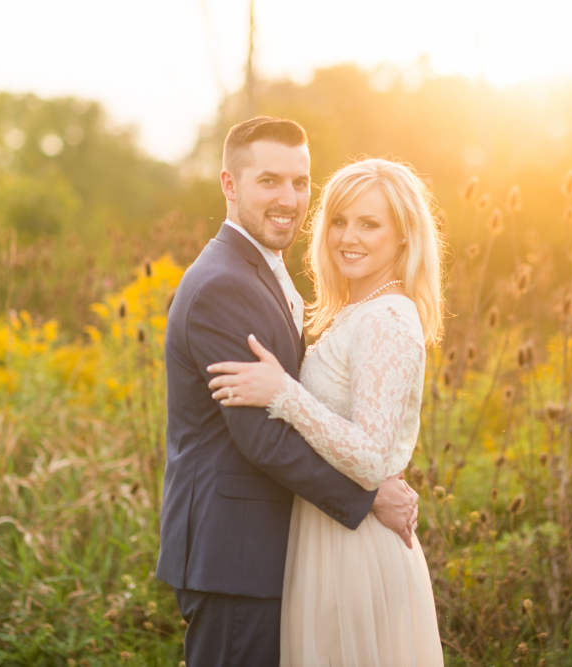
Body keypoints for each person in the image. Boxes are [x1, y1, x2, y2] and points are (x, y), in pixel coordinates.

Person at [155, 117, 419, 667]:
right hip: (237, 554)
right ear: (229, 184)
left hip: (274, 551)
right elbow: (261, 438)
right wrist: (367, 498)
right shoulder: (224, 284)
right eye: (269, 181)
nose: (290, 198)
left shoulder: (263, 271)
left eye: (301, 183)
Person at [206, 157, 445, 666]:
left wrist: (283, 394)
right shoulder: (357, 312)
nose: (347, 237)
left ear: (403, 237)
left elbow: (371, 458)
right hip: (329, 537)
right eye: (339, 220)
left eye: (369, 224)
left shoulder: (387, 319)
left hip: (355, 551)